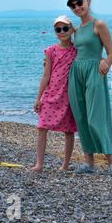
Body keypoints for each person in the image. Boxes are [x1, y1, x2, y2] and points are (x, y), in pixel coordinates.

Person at [67, 0, 112, 177]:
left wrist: (105, 63)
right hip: (76, 73)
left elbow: (111, 51)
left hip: (94, 72)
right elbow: (69, 50)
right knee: (81, 117)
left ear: (88, 1)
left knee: (96, 117)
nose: (76, 7)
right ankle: (89, 163)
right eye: (72, 5)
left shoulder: (98, 25)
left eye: (79, 3)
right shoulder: (75, 30)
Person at [31, 15, 77, 172]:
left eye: (65, 28)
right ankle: (39, 164)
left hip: (68, 96)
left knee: (69, 131)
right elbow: (46, 75)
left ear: (71, 29)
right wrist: (38, 98)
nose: (62, 31)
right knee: (42, 128)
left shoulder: (77, 51)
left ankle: (65, 165)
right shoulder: (51, 51)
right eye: (58, 29)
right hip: (51, 95)